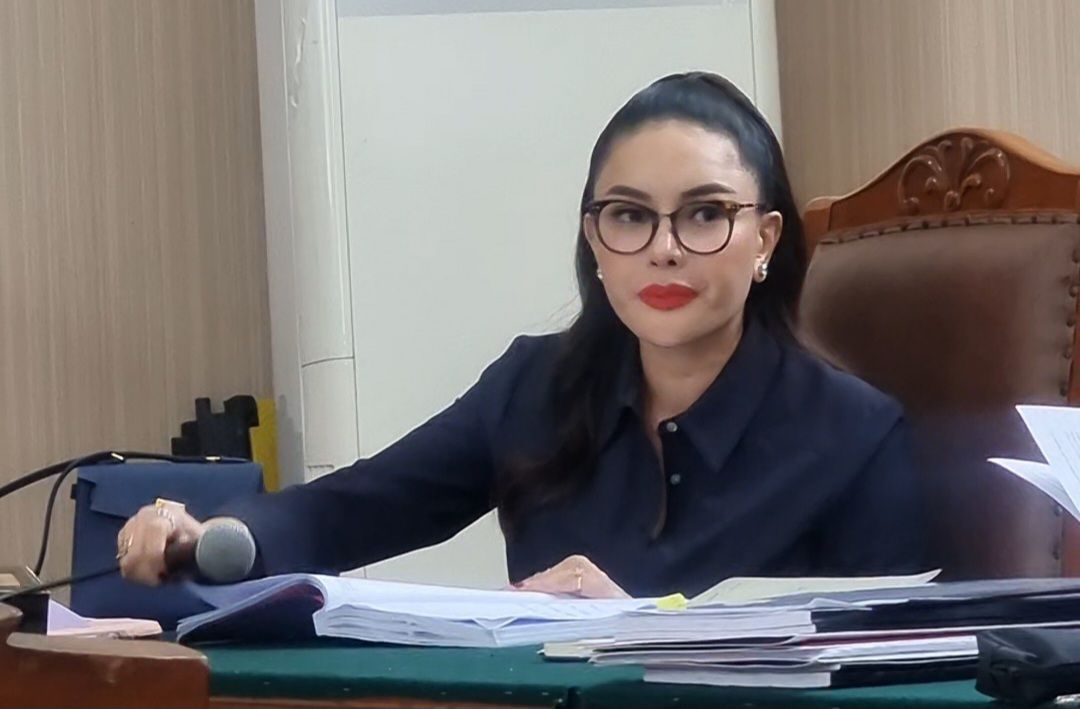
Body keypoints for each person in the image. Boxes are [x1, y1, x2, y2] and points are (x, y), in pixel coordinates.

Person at [117, 72, 923, 599]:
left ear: (766, 240)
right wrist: (217, 534)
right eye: (629, 216)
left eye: (706, 213)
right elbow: (355, 507)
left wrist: (640, 632)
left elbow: (895, 662)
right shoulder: (535, 385)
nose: (664, 248)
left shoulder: (855, 434)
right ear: (595, 239)